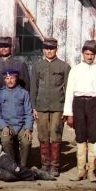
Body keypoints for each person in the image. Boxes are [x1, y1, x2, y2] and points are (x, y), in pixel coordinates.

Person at [63, 40, 96, 181]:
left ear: (95, 55)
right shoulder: (75, 70)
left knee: (93, 137)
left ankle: (91, 171)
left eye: (92, 54)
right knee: (81, 136)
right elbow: (69, 92)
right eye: (87, 54)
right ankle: (80, 170)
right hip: (78, 104)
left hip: (95, 104)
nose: (89, 57)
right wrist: (69, 113)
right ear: (83, 54)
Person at [30, 37, 70, 176]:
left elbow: (69, 89)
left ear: (56, 49)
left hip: (58, 106)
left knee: (56, 135)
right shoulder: (37, 66)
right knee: (42, 135)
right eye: (46, 49)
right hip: (41, 106)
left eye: (52, 49)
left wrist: (67, 109)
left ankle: (55, 166)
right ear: (43, 50)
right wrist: (34, 107)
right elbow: (33, 88)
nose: (49, 51)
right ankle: (45, 165)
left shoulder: (64, 66)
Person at [0, 68, 34, 167]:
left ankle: (23, 166)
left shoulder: (24, 93)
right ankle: (12, 164)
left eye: (12, 78)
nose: (9, 80)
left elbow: (28, 112)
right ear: (4, 80)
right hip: (7, 125)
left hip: (21, 125)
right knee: (6, 141)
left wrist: (28, 128)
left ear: (16, 78)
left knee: (26, 141)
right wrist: (3, 126)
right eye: (7, 78)